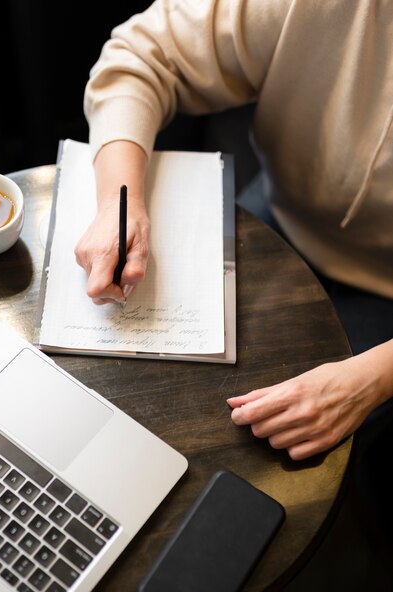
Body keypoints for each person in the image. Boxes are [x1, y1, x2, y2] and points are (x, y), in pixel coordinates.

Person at [74, 0, 393, 461]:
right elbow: (144, 53)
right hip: (286, 212)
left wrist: (374, 378)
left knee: (271, 454)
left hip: (383, 302)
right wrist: (118, 203)